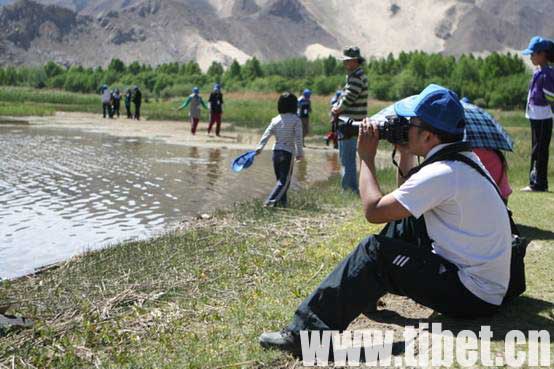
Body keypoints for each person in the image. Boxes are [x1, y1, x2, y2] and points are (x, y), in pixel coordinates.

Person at [259, 84, 512, 356]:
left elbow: (373, 210)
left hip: (472, 295)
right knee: (405, 222)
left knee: (375, 252)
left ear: (427, 136)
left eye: (409, 123)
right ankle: (364, 291)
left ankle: (304, 336)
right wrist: (405, 152)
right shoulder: (463, 159)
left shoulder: (443, 173)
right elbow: (406, 199)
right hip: (482, 284)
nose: (402, 126)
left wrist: (365, 158)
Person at [255, 92, 304, 208]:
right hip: (287, 153)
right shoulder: (296, 120)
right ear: (294, 105)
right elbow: (298, 138)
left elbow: (266, 134)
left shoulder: (275, 120)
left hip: (276, 153)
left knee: (280, 180)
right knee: (284, 182)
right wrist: (300, 153)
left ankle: (282, 204)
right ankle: (269, 202)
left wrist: (259, 148)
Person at [331, 46, 369, 193]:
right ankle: (351, 188)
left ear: (354, 61)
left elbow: (348, 99)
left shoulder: (356, 78)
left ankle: (349, 189)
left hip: (349, 124)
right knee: (348, 157)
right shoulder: (357, 76)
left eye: (347, 61)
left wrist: (336, 109)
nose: (345, 64)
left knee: (347, 158)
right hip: (352, 123)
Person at [521, 36, 554, 192]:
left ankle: (539, 184)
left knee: (539, 150)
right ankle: (535, 181)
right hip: (536, 116)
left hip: (543, 116)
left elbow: (550, 96)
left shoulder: (547, 74)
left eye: (533, 54)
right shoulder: (539, 72)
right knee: (536, 149)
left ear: (542, 55)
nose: (531, 57)